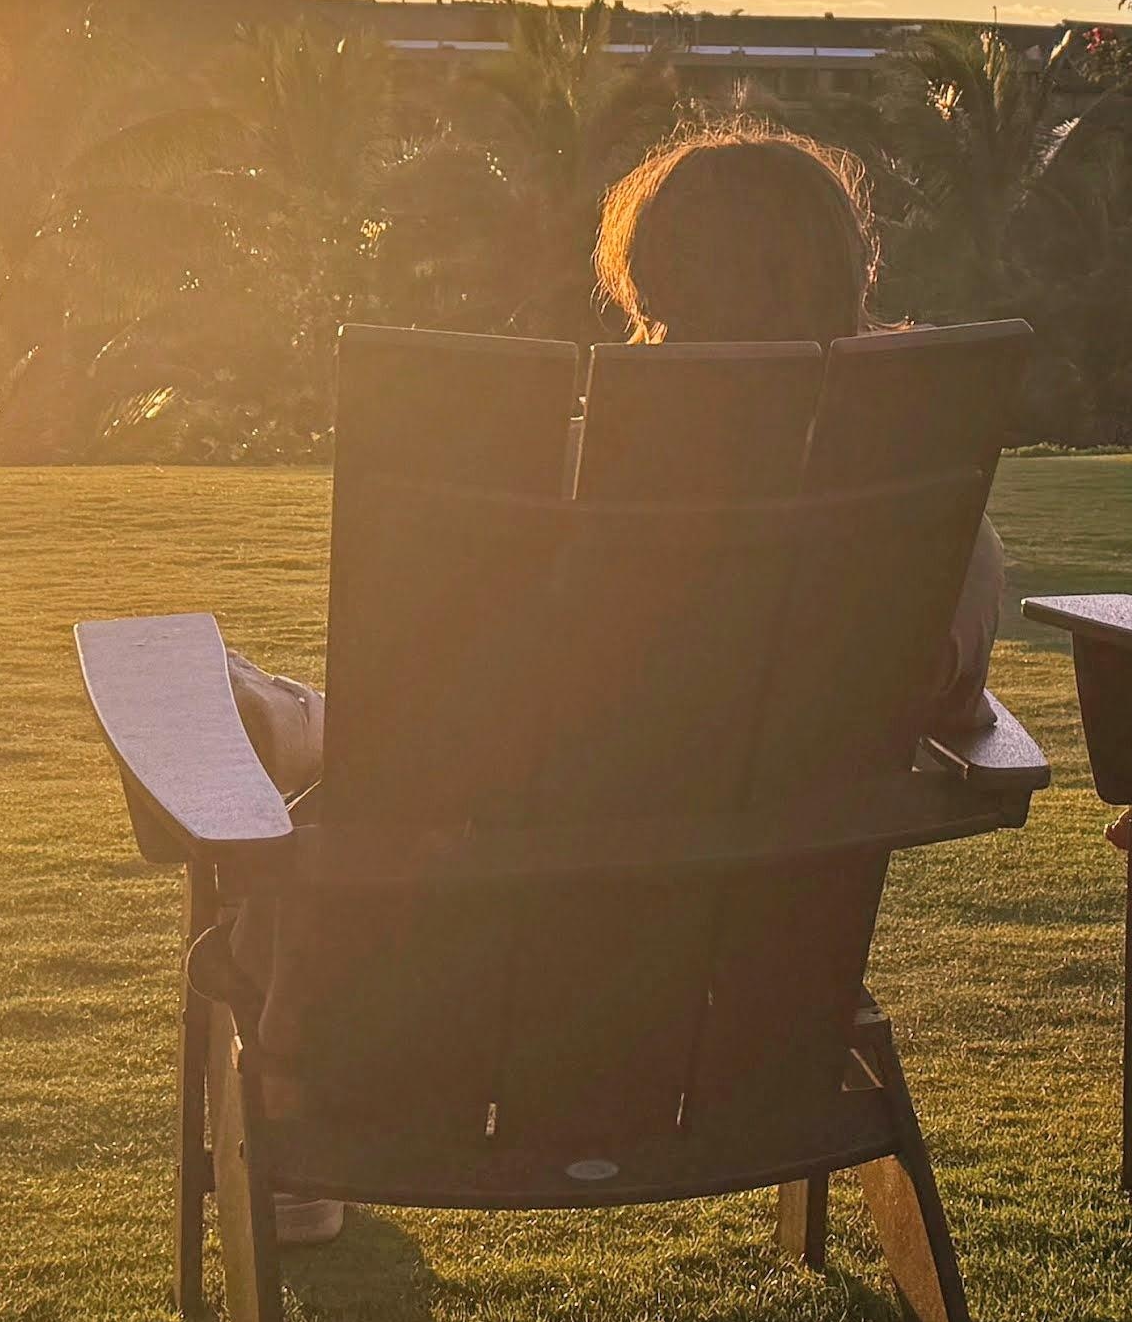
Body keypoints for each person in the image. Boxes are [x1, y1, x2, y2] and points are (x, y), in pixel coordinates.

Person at [219, 124, 1014, 1240]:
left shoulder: (571, 488)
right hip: (744, 1011)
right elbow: (957, 700)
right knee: (346, 744)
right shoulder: (922, 511)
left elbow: (465, 713)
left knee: (302, 773)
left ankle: (298, 1116)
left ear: (651, 274)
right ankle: (290, 721)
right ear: (848, 272)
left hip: (466, 992)